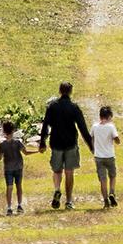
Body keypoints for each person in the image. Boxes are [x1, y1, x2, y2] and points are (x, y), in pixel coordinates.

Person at [38, 80, 94, 210]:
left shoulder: (52, 106)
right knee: (69, 172)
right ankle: (68, 201)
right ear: (70, 92)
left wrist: (42, 142)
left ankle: (57, 189)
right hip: (70, 144)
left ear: (59, 91)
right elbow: (83, 128)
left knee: (57, 171)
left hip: (56, 143)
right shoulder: (74, 107)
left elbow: (45, 125)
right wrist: (91, 146)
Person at [0, 118, 34, 215]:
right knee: (19, 186)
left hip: (8, 168)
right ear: (13, 130)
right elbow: (26, 152)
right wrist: (37, 151)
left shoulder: (2, 145)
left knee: (9, 187)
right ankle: (19, 205)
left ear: (4, 131)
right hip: (18, 167)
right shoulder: (17, 142)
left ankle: (9, 207)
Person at [93, 105, 120, 208]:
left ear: (100, 116)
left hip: (99, 157)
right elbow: (116, 139)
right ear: (109, 116)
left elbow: (92, 138)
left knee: (103, 179)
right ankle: (112, 193)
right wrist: (117, 140)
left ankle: (105, 201)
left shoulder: (95, 127)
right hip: (109, 155)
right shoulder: (111, 126)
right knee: (112, 176)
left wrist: (94, 149)